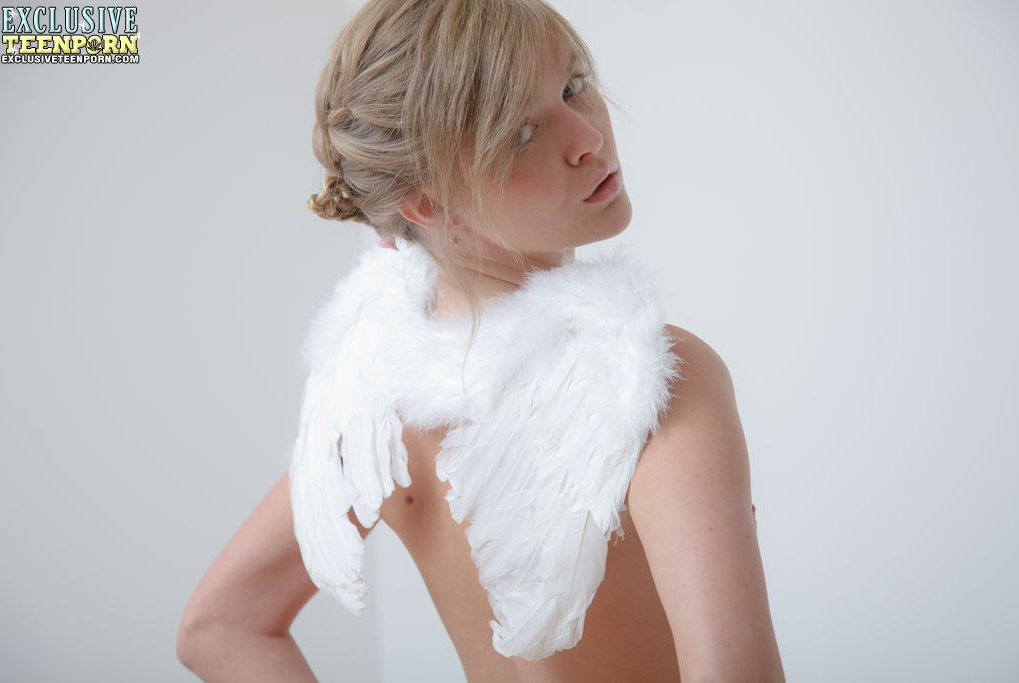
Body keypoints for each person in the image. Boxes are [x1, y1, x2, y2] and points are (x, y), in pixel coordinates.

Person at [177, 0, 785, 680]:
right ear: (428, 203)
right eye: (521, 131)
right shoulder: (648, 382)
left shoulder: (378, 403)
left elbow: (219, 625)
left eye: (573, 84)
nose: (587, 136)